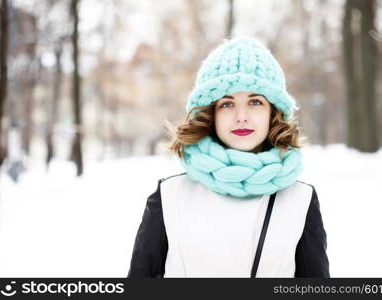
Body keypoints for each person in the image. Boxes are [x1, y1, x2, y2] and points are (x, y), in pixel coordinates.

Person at [127, 37, 329, 278]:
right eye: (227, 104)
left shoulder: (301, 200)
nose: (241, 116)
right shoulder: (169, 197)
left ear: (272, 113)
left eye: (255, 102)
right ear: (210, 114)